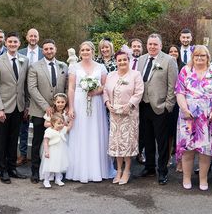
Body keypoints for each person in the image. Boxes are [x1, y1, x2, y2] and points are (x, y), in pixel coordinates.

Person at [175, 45, 212, 191]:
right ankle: (186, 177)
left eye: (202, 56)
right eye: (196, 56)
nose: (199, 58)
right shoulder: (185, 71)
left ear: (207, 57)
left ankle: (203, 179)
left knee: (206, 150)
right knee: (188, 149)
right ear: (193, 57)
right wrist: (184, 109)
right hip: (188, 117)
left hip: (208, 117)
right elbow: (179, 92)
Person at [66, 41, 115, 182]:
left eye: (88, 50)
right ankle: (79, 169)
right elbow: (71, 88)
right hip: (79, 102)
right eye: (83, 50)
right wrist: (71, 107)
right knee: (79, 133)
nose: (85, 52)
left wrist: (96, 91)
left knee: (95, 133)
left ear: (93, 51)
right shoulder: (74, 67)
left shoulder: (101, 67)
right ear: (80, 52)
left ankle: (98, 169)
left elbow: (105, 86)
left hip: (96, 103)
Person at [137, 34, 178, 185]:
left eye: (155, 44)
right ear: (146, 45)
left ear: (161, 46)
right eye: (150, 44)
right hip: (143, 105)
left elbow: (173, 86)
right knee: (146, 138)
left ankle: (162, 171)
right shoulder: (141, 60)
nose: (152, 46)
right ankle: (149, 167)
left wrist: (168, 105)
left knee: (161, 141)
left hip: (161, 107)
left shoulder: (169, 61)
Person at [0, 31, 30, 183]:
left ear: (19, 44)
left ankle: (13, 168)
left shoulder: (24, 60)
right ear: (6, 43)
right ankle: (3, 170)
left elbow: (25, 85)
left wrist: (26, 106)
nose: (13, 44)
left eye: (15, 42)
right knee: (2, 140)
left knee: (14, 140)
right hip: (4, 107)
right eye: (10, 42)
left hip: (19, 107)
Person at [27, 39, 68, 183]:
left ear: (55, 49)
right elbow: (32, 88)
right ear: (42, 51)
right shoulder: (34, 66)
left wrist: (64, 106)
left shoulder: (63, 66)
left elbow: (66, 87)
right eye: (46, 49)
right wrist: (46, 106)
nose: (49, 51)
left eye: (51, 48)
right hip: (39, 111)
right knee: (38, 141)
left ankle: (56, 171)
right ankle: (35, 172)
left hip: (59, 113)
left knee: (57, 142)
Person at [103, 48, 144, 185]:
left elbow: (139, 92)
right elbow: (105, 91)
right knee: (117, 143)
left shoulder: (135, 75)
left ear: (129, 60)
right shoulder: (111, 75)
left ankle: (127, 170)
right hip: (114, 114)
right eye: (119, 60)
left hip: (129, 114)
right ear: (116, 61)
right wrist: (107, 103)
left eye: (124, 60)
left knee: (127, 143)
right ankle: (118, 170)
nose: (122, 62)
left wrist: (130, 105)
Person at [17, 28, 44, 166]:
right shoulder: (20, 53)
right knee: (24, 125)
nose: (33, 38)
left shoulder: (43, 52)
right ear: (27, 37)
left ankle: (40, 154)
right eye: (31, 36)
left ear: (38, 38)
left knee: (41, 126)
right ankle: (22, 154)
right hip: (23, 92)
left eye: (35, 36)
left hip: (40, 93)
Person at [40, 113, 69, 188]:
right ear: (53, 123)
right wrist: (46, 152)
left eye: (62, 123)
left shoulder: (61, 130)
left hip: (60, 151)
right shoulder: (49, 131)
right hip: (51, 152)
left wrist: (71, 121)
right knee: (49, 166)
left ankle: (58, 179)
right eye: (58, 123)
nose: (61, 125)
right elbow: (45, 142)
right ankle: (46, 180)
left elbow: (69, 127)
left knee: (58, 165)